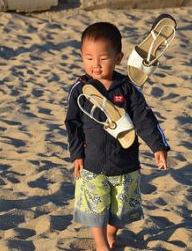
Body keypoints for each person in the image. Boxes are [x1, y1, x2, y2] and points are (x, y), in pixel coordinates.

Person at [64, 22, 170, 251]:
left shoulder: (128, 88)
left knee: (120, 213)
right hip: (92, 162)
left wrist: (158, 147)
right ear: (81, 56)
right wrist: (77, 155)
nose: (96, 65)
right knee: (96, 208)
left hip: (125, 162)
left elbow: (145, 118)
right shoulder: (79, 90)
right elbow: (72, 125)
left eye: (103, 58)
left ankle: (111, 232)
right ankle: (101, 243)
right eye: (89, 58)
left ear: (119, 57)